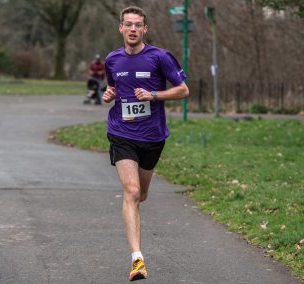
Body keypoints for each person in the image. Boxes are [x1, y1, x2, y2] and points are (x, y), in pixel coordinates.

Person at [102, 6, 189, 281]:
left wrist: (154, 95)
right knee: (131, 191)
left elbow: (183, 90)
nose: (132, 29)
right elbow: (113, 88)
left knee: (142, 195)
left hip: (153, 137)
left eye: (137, 25)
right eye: (128, 24)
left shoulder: (159, 57)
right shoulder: (112, 59)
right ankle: (137, 259)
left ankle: (136, 211)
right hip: (121, 132)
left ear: (144, 29)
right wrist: (108, 94)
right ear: (120, 28)